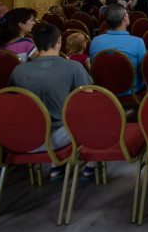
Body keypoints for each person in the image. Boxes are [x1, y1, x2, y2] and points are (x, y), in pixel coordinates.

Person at [9, 23, 93, 180]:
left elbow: (11, 102)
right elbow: (89, 99)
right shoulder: (73, 67)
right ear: (59, 40)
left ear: (34, 43)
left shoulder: (18, 71)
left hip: (24, 138)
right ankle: (91, 166)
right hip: (57, 138)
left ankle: (57, 166)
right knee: (94, 113)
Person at [89, 4, 146, 95]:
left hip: (103, 90)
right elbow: (144, 69)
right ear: (124, 18)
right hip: (131, 90)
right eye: (127, 14)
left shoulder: (95, 41)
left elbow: (94, 65)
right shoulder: (138, 42)